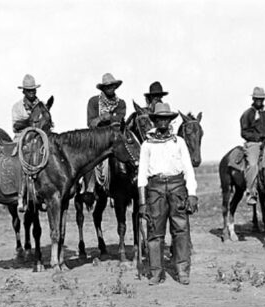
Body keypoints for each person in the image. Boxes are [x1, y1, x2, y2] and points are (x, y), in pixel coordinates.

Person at [137, 103, 198, 286]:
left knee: (181, 230)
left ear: (170, 120)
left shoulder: (178, 142)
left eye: (166, 118)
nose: (163, 122)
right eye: (159, 119)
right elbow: (142, 174)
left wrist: (192, 193)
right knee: (155, 232)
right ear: (154, 121)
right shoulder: (147, 144)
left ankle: (182, 270)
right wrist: (142, 202)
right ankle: (156, 272)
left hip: (177, 187)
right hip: (155, 189)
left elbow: (188, 168)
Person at [12, 74, 53, 212]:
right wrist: (30, 120)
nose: (32, 93)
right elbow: (16, 125)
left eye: (34, 90)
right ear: (23, 91)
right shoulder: (17, 107)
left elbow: (47, 121)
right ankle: (20, 195)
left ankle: (43, 191)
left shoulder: (41, 105)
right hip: (22, 137)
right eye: (29, 90)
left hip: (38, 136)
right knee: (21, 157)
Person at [83, 73, 126, 196]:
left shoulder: (121, 103)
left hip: (115, 137)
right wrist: (105, 118)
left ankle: (124, 184)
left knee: (127, 154)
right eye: (107, 86)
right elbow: (91, 123)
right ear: (103, 88)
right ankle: (87, 186)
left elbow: (119, 120)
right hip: (98, 137)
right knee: (87, 157)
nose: (110, 88)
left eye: (112, 86)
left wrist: (106, 118)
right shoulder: (93, 101)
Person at [240, 87, 265, 206]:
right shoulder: (247, 114)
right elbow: (244, 132)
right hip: (254, 143)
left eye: (261, 99)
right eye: (257, 99)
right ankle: (251, 193)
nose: (259, 101)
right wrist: (260, 136)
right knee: (252, 164)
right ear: (253, 99)